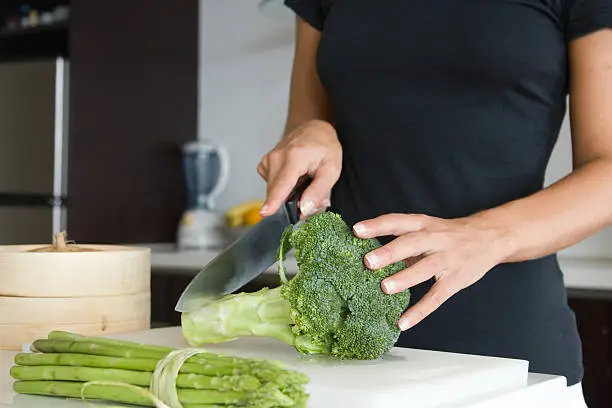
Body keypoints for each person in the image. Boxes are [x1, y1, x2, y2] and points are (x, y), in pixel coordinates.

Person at [256, 1, 611, 405]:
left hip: (508, 358)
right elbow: (305, 126)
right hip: (339, 356)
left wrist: (485, 236)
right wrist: (311, 134)